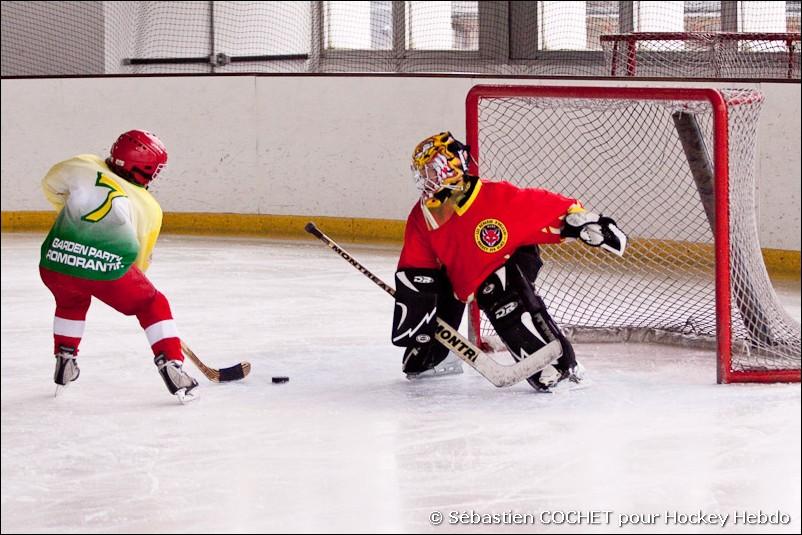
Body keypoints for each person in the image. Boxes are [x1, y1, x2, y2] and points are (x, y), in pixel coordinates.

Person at [391, 132, 627, 391]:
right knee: (425, 331)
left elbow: (543, 206)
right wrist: (416, 306)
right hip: (463, 274)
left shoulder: (495, 198)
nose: (425, 179)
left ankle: (560, 363)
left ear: (451, 168)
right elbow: (417, 263)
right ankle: (439, 358)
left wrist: (582, 221)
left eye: (431, 170)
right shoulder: (424, 214)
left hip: (506, 264)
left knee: (499, 291)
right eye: (422, 172)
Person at [39, 130, 199, 403]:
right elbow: (137, 261)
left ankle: (65, 359)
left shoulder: (82, 164)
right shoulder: (148, 207)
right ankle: (172, 365)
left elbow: (50, 184)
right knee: (152, 304)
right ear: (145, 169)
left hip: (55, 261)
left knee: (70, 302)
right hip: (107, 270)